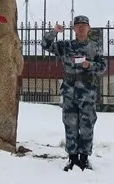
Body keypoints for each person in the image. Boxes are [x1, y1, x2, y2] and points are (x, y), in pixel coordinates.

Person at [41, 15, 108, 171]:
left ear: (89, 28)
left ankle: (84, 159)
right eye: (78, 25)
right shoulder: (66, 46)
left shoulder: (94, 46)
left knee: (87, 125)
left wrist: (89, 65)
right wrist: (54, 32)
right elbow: (45, 44)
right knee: (70, 124)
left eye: (84, 25)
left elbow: (103, 67)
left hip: (87, 91)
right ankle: (72, 158)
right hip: (70, 90)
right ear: (74, 29)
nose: (81, 28)